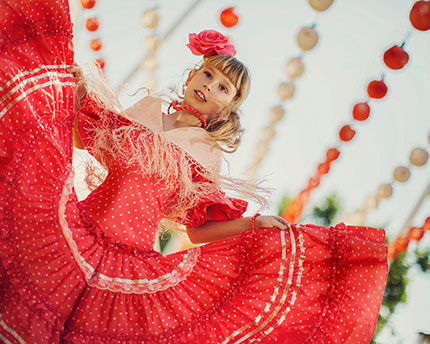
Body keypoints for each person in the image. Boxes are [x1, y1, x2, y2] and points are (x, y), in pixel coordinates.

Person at [0, 0, 389, 343]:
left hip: (131, 259)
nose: (211, 86)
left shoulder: (206, 155)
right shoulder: (147, 110)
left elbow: (197, 229)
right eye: (208, 75)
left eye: (224, 88)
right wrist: (74, 93)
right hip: (76, 230)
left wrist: (256, 226)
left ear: (227, 108)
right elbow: (88, 141)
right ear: (191, 76)